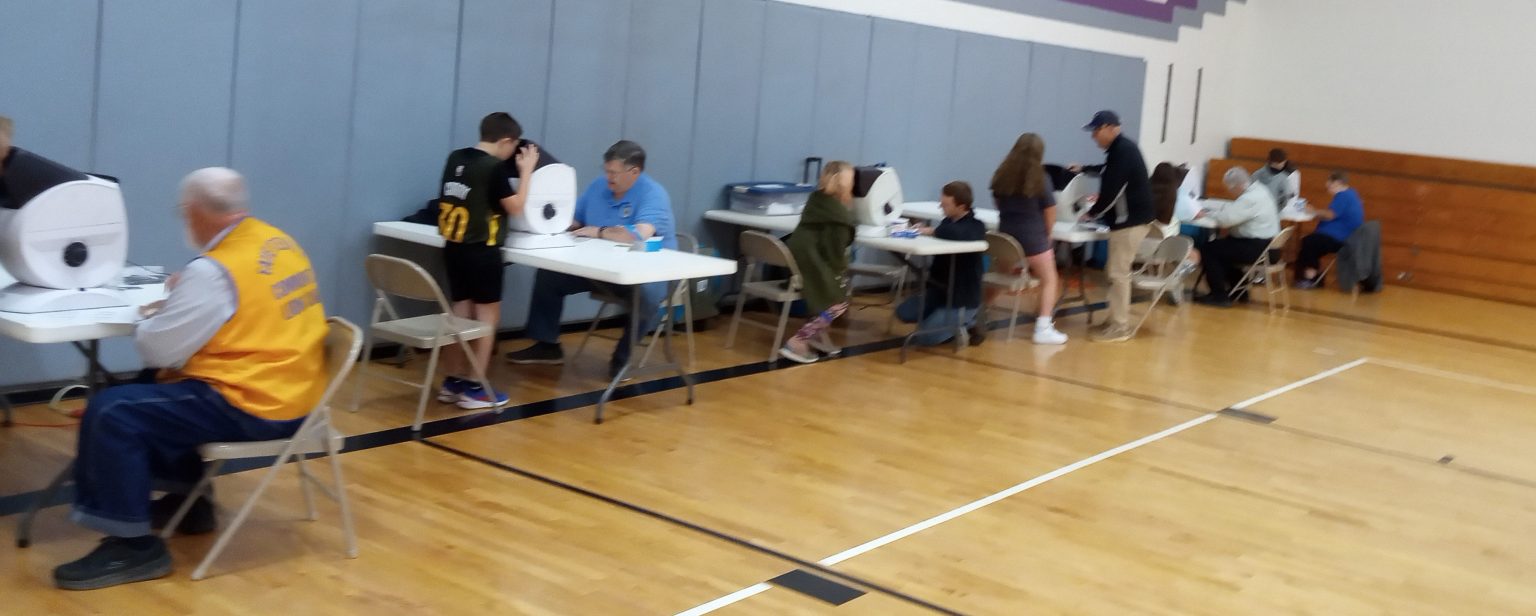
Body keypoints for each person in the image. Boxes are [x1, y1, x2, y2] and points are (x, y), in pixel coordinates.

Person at [52, 168, 328, 590]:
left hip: (255, 404)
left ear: (193, 212)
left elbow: (156, 347)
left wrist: (164, 310)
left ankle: (133, 548)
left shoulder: (214, 271)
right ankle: (190, 500)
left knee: (113, 411)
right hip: (297, 390)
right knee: (154, 384)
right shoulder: (276, 241)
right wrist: (189, 297)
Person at [505, 140, 677, 377]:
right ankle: (547, 345)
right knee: (550, 275)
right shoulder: (599, 186)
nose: (608, 177)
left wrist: (598, 231)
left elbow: (637, 234)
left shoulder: (653, 194)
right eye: (606, 171)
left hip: (646, 275)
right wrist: (545, 219)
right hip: (602, 269)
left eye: (614, 173)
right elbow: (573, 220)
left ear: (634, 172)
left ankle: (622, 359)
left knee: (646, 295)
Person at [433, 112, 538, 409]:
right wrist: (526, 171)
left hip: (454, 247)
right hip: (482, 249)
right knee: (486, 318)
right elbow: (515, 207)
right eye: (512, 147)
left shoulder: (456, 158)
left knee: (460, 313)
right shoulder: (493, 168)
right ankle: (475, 387)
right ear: (506, 141)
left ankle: (452, 381)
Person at [1070, 110, 1155, 342]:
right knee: (1114, 271)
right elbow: (1108, 171)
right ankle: (1113, 320)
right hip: (1129, 221)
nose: (1093, 136)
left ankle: (1120, 326)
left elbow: (1112, 190)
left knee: (1118, 274)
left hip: (1129, 222)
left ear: (1110, 128)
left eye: (1096, 131)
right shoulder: (1120, 150)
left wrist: (1092, 213)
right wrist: (1084, 169)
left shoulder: (1123, 151)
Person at [990, 133, 1068, 345]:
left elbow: (997, 202)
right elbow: (1050, 210)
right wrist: (1048, 234)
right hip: (1033, 239)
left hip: (1006, 237)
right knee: (1049, 279)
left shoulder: (1001, 175)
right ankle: (1043, 327)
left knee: (997, 276)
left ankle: (978, 312)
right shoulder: (1041, 178)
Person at [778, 161, 856, 364]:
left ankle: (816, 334)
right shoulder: (839, 217)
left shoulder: (816, 201)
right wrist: (841, 275)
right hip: (812, 261)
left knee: (828, 292)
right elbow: (835, 254)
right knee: (839, 302)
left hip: (798, 255)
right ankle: (800, 339)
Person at [898, 181, 988, 346]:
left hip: (962, 296)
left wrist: (931, 231)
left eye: (946, 204)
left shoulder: (976, 226)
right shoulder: (948, 221)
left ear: (961, 207)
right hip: (940, 290)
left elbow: (958, 233)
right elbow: (948, 231)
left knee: (925, 338)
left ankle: (969, 321)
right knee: (904, 312)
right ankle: (942, 319)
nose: (941, 207)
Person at [1193, 167, 1281, 307]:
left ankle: (1219, 296)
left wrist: (1207, 213)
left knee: (1209, 249)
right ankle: (1239, 291)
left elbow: (1225, 220)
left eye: (1230, 188)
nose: (1231, 192)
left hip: (1258, 249)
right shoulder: (1261, 190)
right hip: (1270, 247)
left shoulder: (1249, 199)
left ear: (1238, 186)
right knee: (1224, 246)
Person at [1295, 171, 1365, 288]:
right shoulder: (1351, 194)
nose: (1327, 186)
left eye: (1329, 183)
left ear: (1337, 183)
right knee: (1309, 243)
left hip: (1340, 238)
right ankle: (1309, 276)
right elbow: (1333, 214)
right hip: (1342, 235)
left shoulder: (1344, 196)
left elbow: (1330, 215)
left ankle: (1311, 277)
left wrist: (1313, 211)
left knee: (1309, 242)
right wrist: (1316, 213)